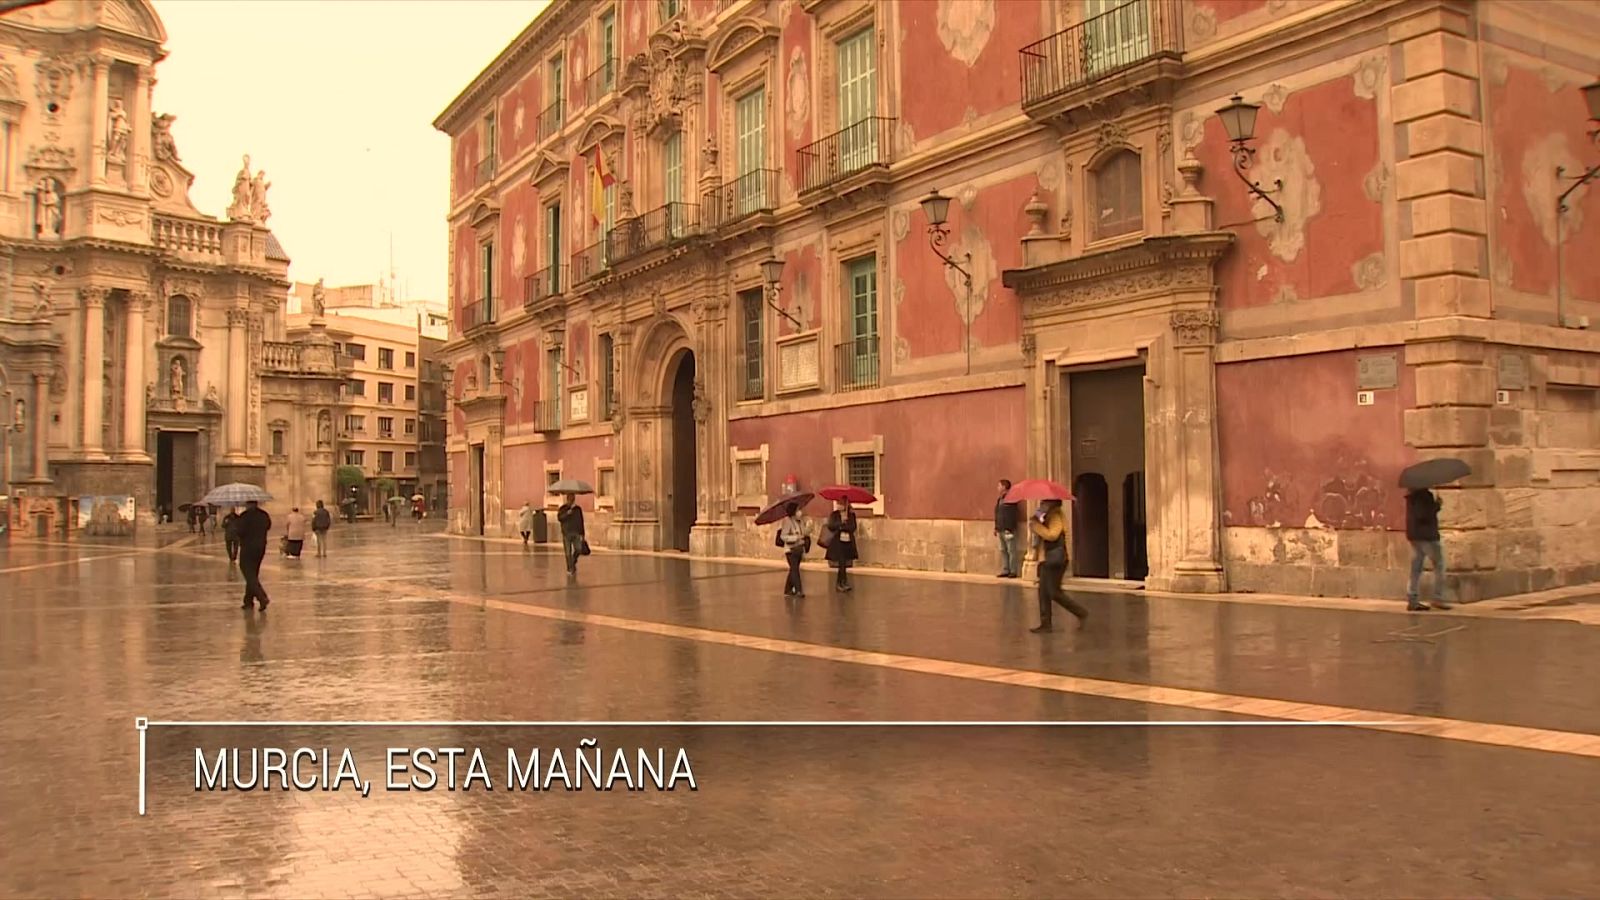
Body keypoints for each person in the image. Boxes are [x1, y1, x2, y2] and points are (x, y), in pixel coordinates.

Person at [1028, 498, 1088, 633]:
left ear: (1052, 504)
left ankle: (1081, 613)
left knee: (1054, 592)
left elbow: (1053, 535)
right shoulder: (1043, 515)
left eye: (1044, 503)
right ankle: (1045, 624)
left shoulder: (1056, 515)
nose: (1041, 504)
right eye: (1041, 502)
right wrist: (1035, 521)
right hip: (1045, 558)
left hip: (1056, 559)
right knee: (1043, 592)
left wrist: (1037, 527)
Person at [1405, 487, 1449, 611]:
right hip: (1427, 536)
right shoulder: (1424, 495)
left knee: (1416, 568)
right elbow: (1423, 515)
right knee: (1439, 565)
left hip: (1415, 536)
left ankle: (1412, 598)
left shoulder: (1411, 495)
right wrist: (1436, 505)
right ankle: (1437, 597)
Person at [235, 500, 272, 610]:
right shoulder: (264, 515)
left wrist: (238, 522)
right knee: (253, 573)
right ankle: (248, 601)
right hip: (260, 547)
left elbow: (239, 531)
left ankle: (262, 597)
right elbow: (268, 526)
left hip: (248, 548)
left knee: (248, 572)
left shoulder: (244, 516)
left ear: (248, 504)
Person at [823, 499, 858, 592]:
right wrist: (841, 524)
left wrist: (844, 526)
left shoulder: (851, 515)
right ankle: (841, 583)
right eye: (838, 503)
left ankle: (842, 582)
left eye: (841, 504)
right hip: (838, 543)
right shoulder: (834, 515)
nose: (839, 505)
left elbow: (853, 527)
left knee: (844, 564)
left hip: (848, 542)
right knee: (841, 563)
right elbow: (831, 525)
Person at [777, 502, 811, 597]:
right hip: (791, 550)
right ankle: (799, 590)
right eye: (798, 510)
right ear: (793, 511)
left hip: (799, 549)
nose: (800, 512)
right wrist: (795, 538)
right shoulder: (787, 521)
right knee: (795, 570)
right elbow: (783, 536)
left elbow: (803, 533)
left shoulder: (800, 521)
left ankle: (787, 589)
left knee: (793, 569)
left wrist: (808, 528)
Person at [995, 479, 1022, 578]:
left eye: (999, 485)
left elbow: (1012, 515)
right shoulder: (1000, 499)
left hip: (1008, 529)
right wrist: (996, 527)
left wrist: (1009, 528)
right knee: (1003, 550)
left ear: (1004, 487)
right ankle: (1005, 569)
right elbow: (998, 513)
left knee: (1011, 550)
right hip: (1001, 528)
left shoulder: (1011, 499)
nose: (997, 488)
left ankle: (1013, 570)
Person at [557, 493, 586, 576]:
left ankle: (572, 562)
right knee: (568, 552)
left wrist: (582, 534)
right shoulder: (563, 508)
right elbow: (560, 518)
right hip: (566, 533)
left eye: (572, 499)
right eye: (569, 499)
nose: (571, 500)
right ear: (567, 499)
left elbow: (581, 521)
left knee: (579, 549)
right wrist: (567, 513)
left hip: (576, 533)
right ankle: (570, 568)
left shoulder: (578, 509)